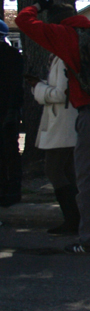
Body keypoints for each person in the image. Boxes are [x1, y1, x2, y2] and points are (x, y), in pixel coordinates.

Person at [16, 0, 90, 254]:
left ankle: (89, 239)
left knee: (87, 175)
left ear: (55, 22)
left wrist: (38, 7)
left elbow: (22, 21)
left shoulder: (64, 35)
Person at [28, 4, 80, 233]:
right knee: (68, 171)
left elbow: (60, 93)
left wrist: (37, 87)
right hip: (67, 119)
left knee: (54, 170)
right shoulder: (68, 48)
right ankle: (76, 217)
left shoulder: (63, 54)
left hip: (63, 119)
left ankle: (72, 218)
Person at [0, 19, 23, 208]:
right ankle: (9, 189)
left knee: (9, 152)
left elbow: (15, 87)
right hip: (9, 109)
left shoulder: (12, 56)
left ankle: (11, 190)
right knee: (9, 152)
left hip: (8, 110)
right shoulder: (13, 56)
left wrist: (12, 111)